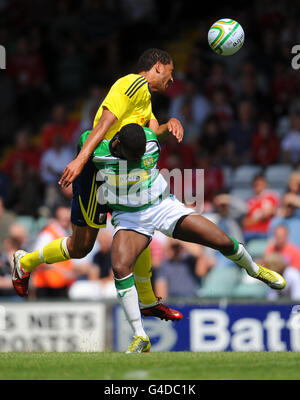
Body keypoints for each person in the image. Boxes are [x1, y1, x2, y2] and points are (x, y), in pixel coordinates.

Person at [61, 123, 284, 353]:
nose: (138, 160)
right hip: (129, 217)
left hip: (162, 206)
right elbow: (88, 142)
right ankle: (140, 336)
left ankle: (255, 270)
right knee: (120, 267)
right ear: (118, 144)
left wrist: (171, 123)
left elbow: (153, 122)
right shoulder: (98, 148)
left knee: (222, 241)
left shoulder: (149, 141)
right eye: (133, 156)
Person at [12, 48, 184, 322]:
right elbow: (104, 123)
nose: (172, 81)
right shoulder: (131, 84)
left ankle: (149, 302)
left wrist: (171, 124)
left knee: (138, 223)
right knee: (81, 248)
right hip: (96, 168)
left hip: (118, 169)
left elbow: (153, 134)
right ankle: (25, 262)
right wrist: (81, 161)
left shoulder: (146, 100)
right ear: (159, 67)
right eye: (171, 73)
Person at [242, 174, 279, 241]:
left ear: (265, 185)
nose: (258, 187)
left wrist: (253, 218)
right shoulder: (249, 201)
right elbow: (244, 222)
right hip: (248, 233)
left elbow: (266, 215)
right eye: (256, 185)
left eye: (260, 184)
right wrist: (259, 216)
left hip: (263, 233)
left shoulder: (270, 197)